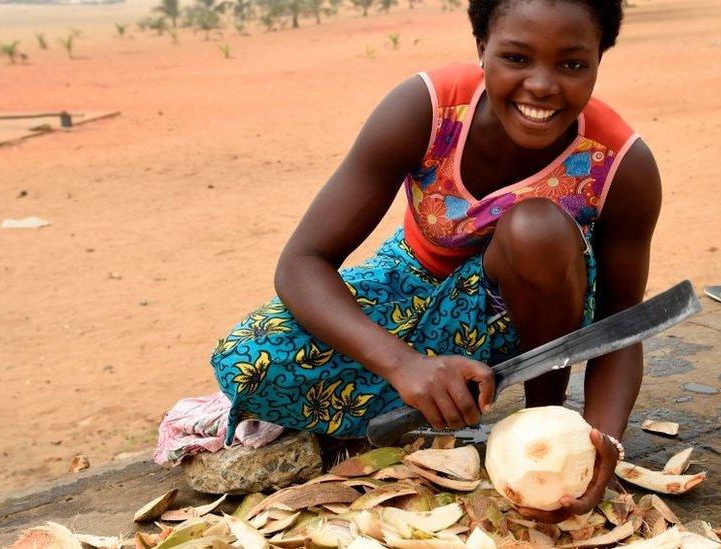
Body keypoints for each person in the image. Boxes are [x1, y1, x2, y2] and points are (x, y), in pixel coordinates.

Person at [210, 0, 661, 523]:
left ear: (599, 61)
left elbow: (623, 323)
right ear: (482, 49)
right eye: (516, 57)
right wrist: (402, 365)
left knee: (534, 228)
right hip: (412, 291)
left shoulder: (621, 165)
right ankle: (437, 395)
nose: (541, 85)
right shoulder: (426, 110)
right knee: (247, 361)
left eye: (572, 64)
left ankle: (542, 417)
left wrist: (599, 441)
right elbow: (302, 263)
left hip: (537, 324)